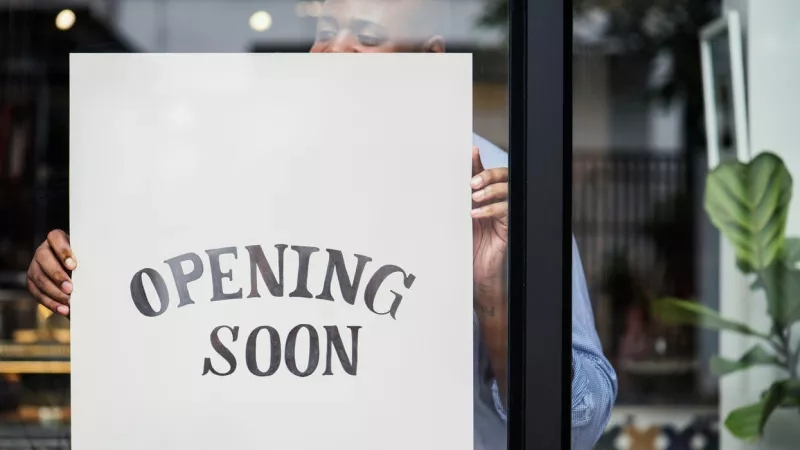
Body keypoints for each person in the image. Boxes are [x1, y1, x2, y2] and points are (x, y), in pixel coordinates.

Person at [25, 0, 616, 448]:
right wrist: (85, 272)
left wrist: (494, 299)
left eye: (368, 35)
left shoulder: (499, 194)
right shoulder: (248, 175)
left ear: (429, 59)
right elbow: (186, 319)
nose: (335, 51)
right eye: (323, 31)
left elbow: (579, 422)